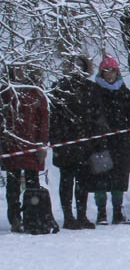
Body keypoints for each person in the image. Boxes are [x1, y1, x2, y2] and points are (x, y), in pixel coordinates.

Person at [48, 56, 103, 229]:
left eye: (80, 66)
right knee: (67, 180)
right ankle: (68, 217)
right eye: (74, 66)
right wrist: (57, 140)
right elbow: (54, 117)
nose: (77, 69)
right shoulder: (59, 87)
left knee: (83, 181)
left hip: (86, 142)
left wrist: (97, 138)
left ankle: (81, 215)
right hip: (66, 142)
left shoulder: (92, 88)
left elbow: (98, 115)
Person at [1, 66, 54, 234]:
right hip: (11, 146)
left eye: (23, 69)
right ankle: (15, 219)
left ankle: (33, 216)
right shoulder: (5, 91)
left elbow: (44, 119)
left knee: (33, 185)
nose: (20, 72)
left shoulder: (36, 92)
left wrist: (42, 143)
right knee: (13, 186)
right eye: (17, 69)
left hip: (32, 146)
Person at [90, 56, 130, 225]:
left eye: (112, 71)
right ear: (101, 73)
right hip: (101, 141)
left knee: (120, 175)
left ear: (117, 72)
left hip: (121, 141)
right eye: (106, 71)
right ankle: (101, 212)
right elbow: (91, 115)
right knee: (100, 176)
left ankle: (118, 210)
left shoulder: (124, 91)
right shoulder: (95, 92)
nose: (110, 74)